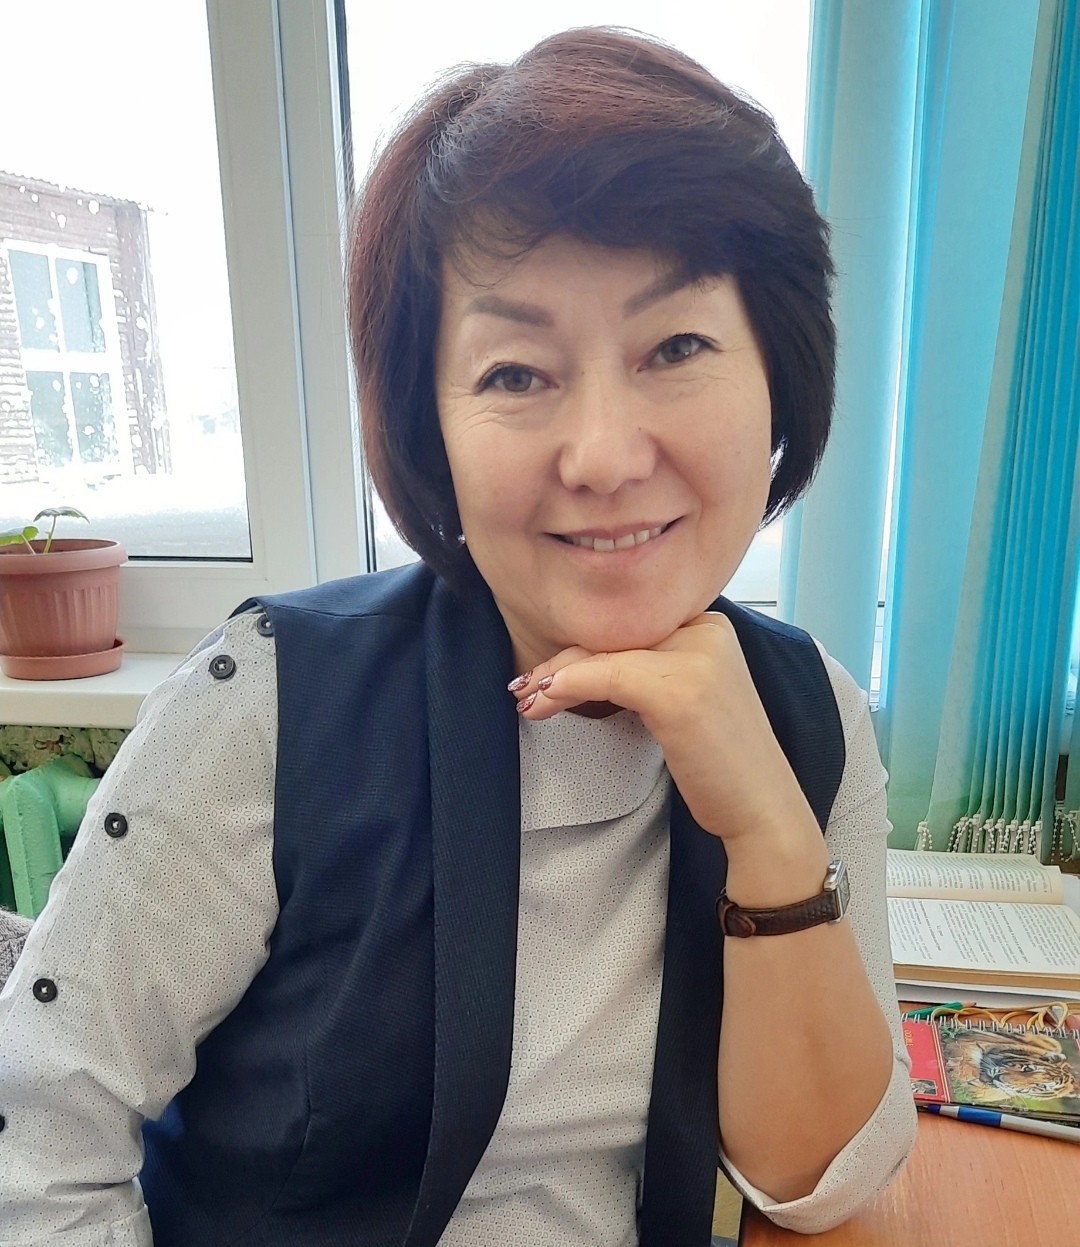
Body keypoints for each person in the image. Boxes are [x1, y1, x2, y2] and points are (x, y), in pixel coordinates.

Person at [0, 26, 917, 1246]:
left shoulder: (810, 713)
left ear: (780, 375)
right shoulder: (271, 707)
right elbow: (41, 1138)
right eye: (516, 374)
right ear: (428, 424)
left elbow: (821, 1178)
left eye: (677, 346)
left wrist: (766, 826)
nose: (603, 456)